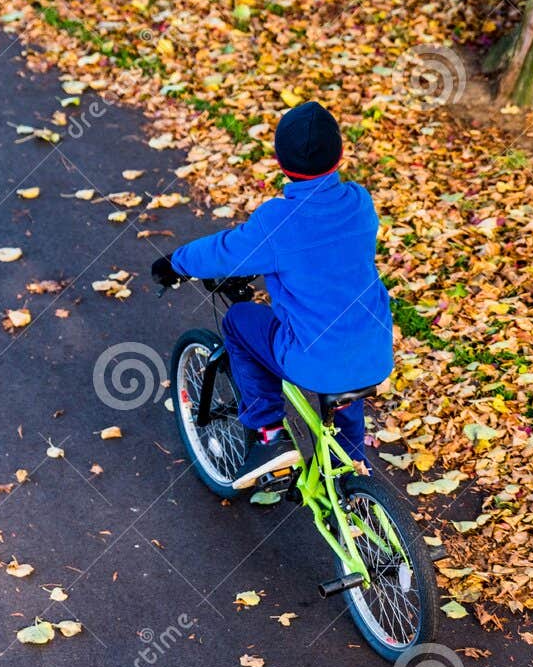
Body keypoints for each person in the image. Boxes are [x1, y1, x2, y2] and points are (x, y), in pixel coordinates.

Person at [151, 101, 392, 488]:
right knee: (345, 360)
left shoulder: (277, 222)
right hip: (375, 348)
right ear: (341, 155)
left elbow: (224, 252)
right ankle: (353, 479)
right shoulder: (360, 203)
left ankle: (269, 436)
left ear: (281, 163)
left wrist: (174, 263)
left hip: (312, 359)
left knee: (240, 322)